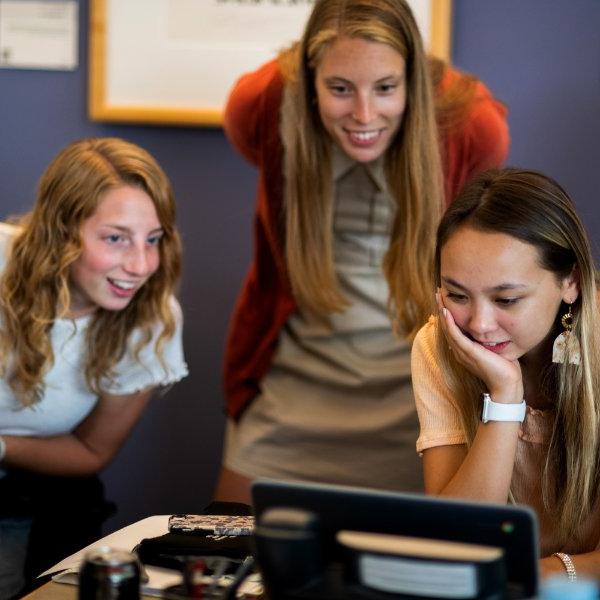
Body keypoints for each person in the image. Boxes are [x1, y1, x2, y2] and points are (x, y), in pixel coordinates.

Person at [215, 0, 509, 504]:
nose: (365, 115)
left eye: (386, 88)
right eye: (340, 89)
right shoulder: (264, 105)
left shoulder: (469, 124)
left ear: (412, 78)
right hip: (293, 387)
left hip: (416, 395)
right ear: (310, 80)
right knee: (235, 556)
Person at [0, 137, 188, 598]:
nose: (141, 265)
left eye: (153, 239)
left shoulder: (150, 318)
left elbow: (91, 451)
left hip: (26, 497)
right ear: (60, 232)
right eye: (115, 238)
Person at [412, 167, 600, 580]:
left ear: (571, 281)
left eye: (507, 299)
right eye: (458, 295)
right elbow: (453, 546)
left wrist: (534, 575)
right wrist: (504, 397)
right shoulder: (437, 344)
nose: (479, 324)